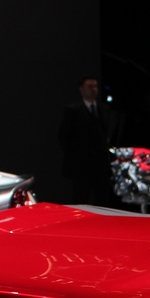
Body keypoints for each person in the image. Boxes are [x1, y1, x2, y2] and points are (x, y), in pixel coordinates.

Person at [58, 76, 112, 205]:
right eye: (89, 86)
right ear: (81, 89)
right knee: (80, 198)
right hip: (81, 165)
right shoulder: (73, 110)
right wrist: (75, 156)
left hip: (101, 164)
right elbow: (63, 136)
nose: (93, 89)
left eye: (95, 86)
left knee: (102, 198)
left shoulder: (104, 109)